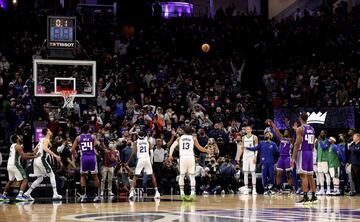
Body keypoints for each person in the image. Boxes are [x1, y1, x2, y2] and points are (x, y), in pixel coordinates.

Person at [169, 126, 211, 201]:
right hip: (191, 157)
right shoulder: (193, 138)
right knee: (192, 176)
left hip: (182, 157)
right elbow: (200, 148)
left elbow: (172, 147)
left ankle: (182, 193)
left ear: (184, 131)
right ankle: (192, 193)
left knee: (181, 175)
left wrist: (170, 155)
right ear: (191, 131)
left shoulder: (179, 138)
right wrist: (207, 151)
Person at [24, 128, 62, 200]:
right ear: (47, 132)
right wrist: (55, 155)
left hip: (36, 160)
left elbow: (35, 149)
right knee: (52, 175)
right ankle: (55, 194)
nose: (51, 131)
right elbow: (45, 148)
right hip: (42, 159)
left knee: (40, 178)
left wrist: (33, 154)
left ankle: (27, 193)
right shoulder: (46, 140)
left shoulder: (41, 139)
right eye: (49, 130)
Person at [0, 134, 38, 202]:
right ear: (17, 139)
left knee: (11, 180)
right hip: (15, 165)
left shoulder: (12, 146)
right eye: (18, 137)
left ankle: (3, 195)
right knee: (25, 179)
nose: (20, 137)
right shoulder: (18, 146)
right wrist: (34, 157)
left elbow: (22, 154)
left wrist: (33, 153)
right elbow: (24, 157)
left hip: (9, 165)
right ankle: (20, 196)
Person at [291, 112, 317, 204]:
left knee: (303, 175)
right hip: (310, 152)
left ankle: (305, 197)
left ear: (300, 118)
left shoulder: (300, 129)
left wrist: (293, 158)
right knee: (310, 175)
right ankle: (314, 196)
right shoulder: (312, 128)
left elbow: (297, 144)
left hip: (303, 152)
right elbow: (313, 143)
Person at [126, 131, 161, 200]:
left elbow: (133, 153)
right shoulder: (148, 141)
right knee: (151, 175)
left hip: (141, 159)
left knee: (136, 176)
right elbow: (151, 152)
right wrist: (151, 161)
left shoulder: (136, 142)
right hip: (147, 159)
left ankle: (131, 193)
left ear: (138, 135)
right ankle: (157, 192)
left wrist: (128, 162)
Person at [71, 124, 101, 202]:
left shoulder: (78, 137)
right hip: (92, 157)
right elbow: (97, 147)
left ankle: (84, 195)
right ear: (89, 129)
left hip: (84, 157)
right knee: (95, 176)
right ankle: (97, 195)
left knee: (82, 175)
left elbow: (72, 149)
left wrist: (76, 155)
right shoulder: (93, 137)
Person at [247, 129, 279, 194]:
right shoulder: (261, 143)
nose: (266, 135)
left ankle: (271, 188)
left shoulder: (273, 144)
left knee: (272, 175)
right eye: (265, 134)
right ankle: (265, 189)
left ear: (270, 136)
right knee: (264, 176)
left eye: (267, 134)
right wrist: (246, 148)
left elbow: (278, 152)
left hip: (271, 162)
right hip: (264, 163)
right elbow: (255, 148)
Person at [267, 120, 294, 193]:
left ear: (289, 133)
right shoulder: (281, 138)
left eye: (286, 132)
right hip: (281, 158)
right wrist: (272, 123)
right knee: (278, 174)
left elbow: (291, 132)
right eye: (284, 132)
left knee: (288, 175)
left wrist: (287, 125)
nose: (285, 132)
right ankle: (278, 188)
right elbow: (276, 130)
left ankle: (291, 189)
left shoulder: (291, 140)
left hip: (288, 158)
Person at [238, 126, 258, 195]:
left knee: (253, 172)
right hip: (245, 156)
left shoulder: (254, 137)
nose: (247, 130)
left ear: (251, 130)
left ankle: (254, 189)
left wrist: (255, 156)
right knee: (245, 173)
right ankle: (246, 188)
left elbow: (256, 148)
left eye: (248, 129)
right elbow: (242, 148)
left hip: (252, 155)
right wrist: (239, 157)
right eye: (246, 129)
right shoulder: (243, 138)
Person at [315, 130, 331, 195]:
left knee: (326, 174)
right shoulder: (318, 142)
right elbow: (317, 150)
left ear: (325, 134)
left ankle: (328, 189)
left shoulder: (328, 141)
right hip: (319, 161)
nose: (321, 134)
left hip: (325, 160)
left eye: (322, 133)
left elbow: (324, 148)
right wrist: (316, 160)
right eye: (320, 133)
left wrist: (320, 141)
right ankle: (322, 189)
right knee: (320, 174)